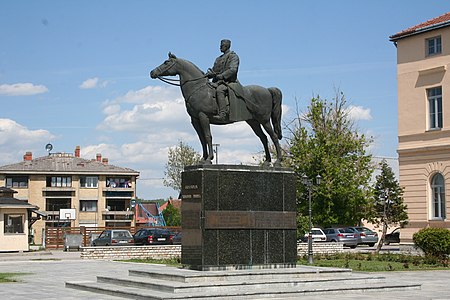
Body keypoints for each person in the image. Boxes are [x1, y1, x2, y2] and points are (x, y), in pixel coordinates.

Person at [206, 39, 240, 121]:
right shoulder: (218, 59)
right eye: (220, 45)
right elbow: (214, 71)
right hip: (217, 82)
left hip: (228, 82)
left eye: (222, 46)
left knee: (219, 90)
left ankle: (223, 114)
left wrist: (222, 76)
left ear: (227, 46)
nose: (220, 47)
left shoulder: (233, 56)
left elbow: (233, 70)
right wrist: (208, 74)